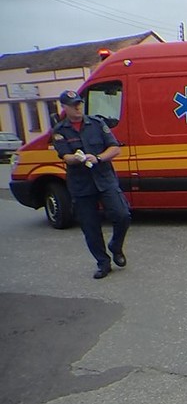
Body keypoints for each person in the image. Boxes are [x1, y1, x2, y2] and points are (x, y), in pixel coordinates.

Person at [51, 90, 131, 279]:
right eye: (73, 105)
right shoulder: (60, 131)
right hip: (81, 185)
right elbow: (66, 157)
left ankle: (116, 246)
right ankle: (103, 263)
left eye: (79, 103)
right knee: (90, 227)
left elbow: (114, 148)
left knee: (122, 215)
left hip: (104, 178)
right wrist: (78, 158)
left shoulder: (96, 123)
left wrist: (97, 158)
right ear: (64, 108)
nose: (78, 107)